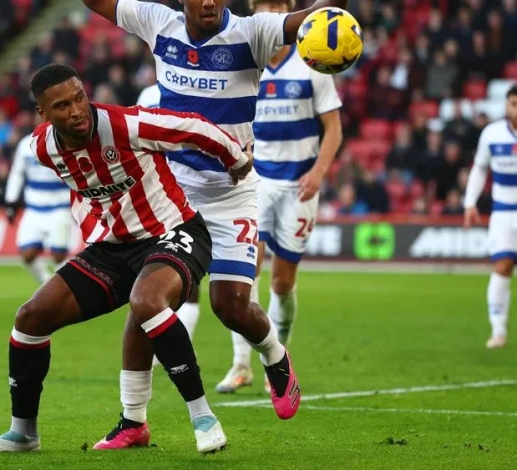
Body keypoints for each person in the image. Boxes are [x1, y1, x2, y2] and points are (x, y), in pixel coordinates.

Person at [82, 0, 347, 448]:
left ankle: (275, 357)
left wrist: (332, 10)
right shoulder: (158, 23)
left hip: (232, 194)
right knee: (145, 301)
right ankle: (132, 421)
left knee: (230, 306)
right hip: (173, 197)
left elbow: (313, 17)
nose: (209, 1)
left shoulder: (253, 33)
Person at [0, 64, 253, 454]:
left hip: (175, 231)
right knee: (30, 317)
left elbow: (193, 127)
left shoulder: (126, 125)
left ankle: (203, 417)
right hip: (114, 249)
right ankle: (23, 433)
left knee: (147, 302)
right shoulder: (42, 148)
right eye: (62, 106)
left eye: (79, 98)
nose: (76, 111)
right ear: (43, 113)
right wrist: (92, 224)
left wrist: (237, 160)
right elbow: (81, 184)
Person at [216, 0, 342, 394]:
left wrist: (319, 171)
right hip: (256, 183)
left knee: (283, 283)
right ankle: (241, 365)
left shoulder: (312, 63)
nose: (271, 15)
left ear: (289, 13)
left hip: (299, 185)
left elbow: (334, 128)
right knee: (244, 272)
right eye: (263, 9)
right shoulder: (244, 64)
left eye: (278, 8)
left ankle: (279, 360)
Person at [463, 83, 517, 349]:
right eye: (515, 104)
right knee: (502, 266)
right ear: (507, 106)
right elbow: (479, 168)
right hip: (504, 212)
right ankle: (498, 330)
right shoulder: (491, 134)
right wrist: (470, 203)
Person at [5, 133, 72, 284]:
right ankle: (46, 283)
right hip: (33, 208)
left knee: (58, 256)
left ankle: (65, 288)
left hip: (59, 207)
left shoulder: (64, 141)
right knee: (27, 254)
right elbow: (17, 173)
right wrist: (11, 200)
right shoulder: (25, 144)